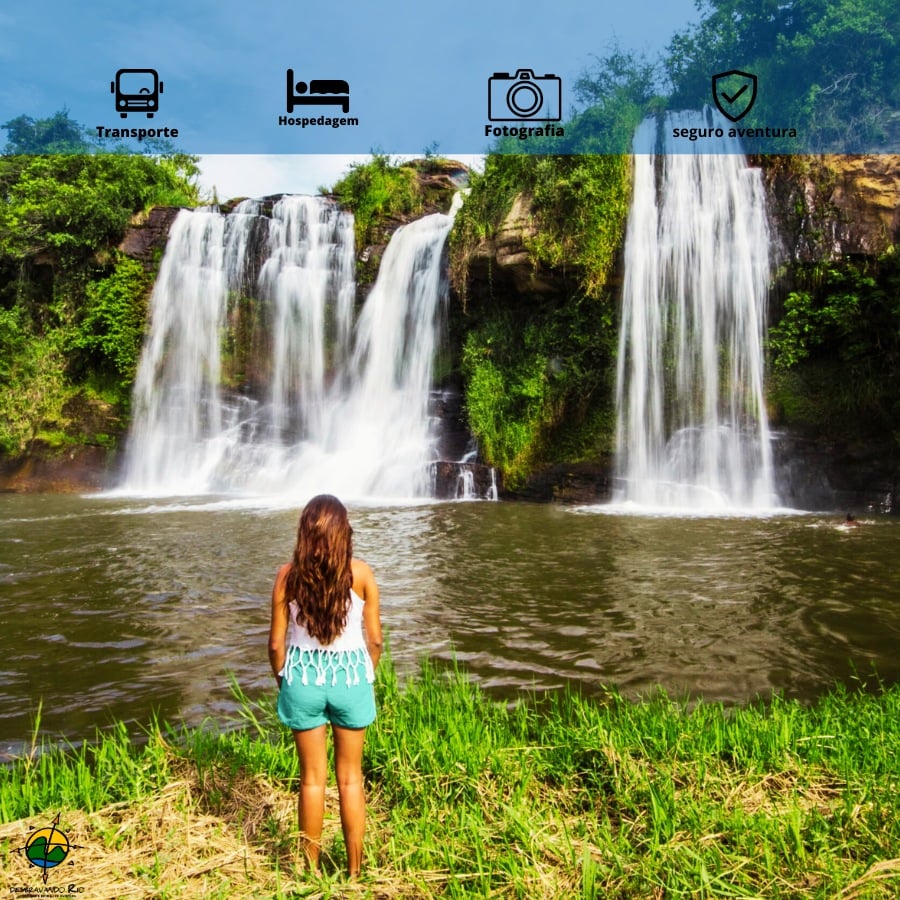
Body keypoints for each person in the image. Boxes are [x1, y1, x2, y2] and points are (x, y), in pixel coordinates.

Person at [268, 494, 383, 877]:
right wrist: (368, 673)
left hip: (303, 678)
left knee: (312, 781)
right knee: (351, 779)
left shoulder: (288, 576)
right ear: (343, 533)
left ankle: (310, 872)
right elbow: (376, 640)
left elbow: (275, 644)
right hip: (350, 677)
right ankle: (354, 873)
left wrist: (284, 678)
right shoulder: (362, 575)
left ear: (304, 533)